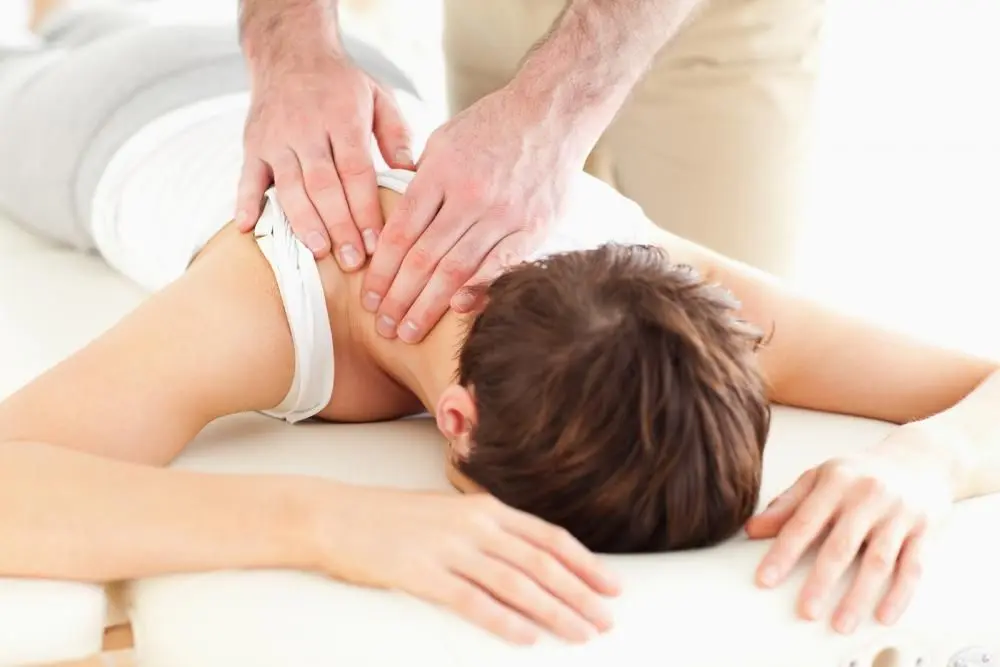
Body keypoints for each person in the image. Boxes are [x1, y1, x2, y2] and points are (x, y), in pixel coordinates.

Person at [2, 4, 1000, 647]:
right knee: (27, 52)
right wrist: (327, 522)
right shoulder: (274, 299)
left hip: (364, 78)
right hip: (103, 123)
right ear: (457, 418)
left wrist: (925, 461)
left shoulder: (669, 294)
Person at [235, 0, 825, 347]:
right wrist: (290, 48)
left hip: (705, 24)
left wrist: (557, 106)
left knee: (728, 350)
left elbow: (908, 386)